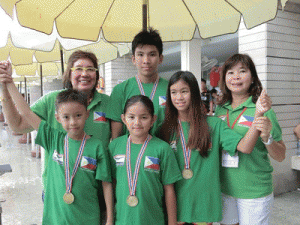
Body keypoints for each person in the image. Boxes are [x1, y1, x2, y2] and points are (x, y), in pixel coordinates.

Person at [158, 71, 272, 224]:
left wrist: (258, 114)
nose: (179, 97)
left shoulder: (213, 125)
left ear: (194, 93)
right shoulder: (164, 129)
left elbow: (245, 147)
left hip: (204, 207)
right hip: (175, 206)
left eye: (184, 91)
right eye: (174, 92)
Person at [0, 51, 111, 202]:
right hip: (56, 193)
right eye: (78, 68)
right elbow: (18, 126)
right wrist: (5, 89)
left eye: (90, 69)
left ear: (97, 75)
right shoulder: (52, 101)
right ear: (69, 74)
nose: (84, 74)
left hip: (94, 195)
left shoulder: (109, 103)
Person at [4, 84, 113, 224]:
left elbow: (106, 183)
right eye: (66, 117)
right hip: (56, 219)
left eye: (78, 115)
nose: (73, 122)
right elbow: (26, 113)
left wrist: (109, 219)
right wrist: (9, 83)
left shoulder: (97, 147)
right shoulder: (53, 139)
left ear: (87, 114)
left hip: (88, 218)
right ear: (57, 118)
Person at [214, 54, 286, 225]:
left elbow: (281, 155)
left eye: (242, 71)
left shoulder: (263, 109)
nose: (236, 77)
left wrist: (267, 138)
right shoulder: (220, 110)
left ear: (252, 77)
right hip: (225, 189)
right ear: (224, 79)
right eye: (230, 72)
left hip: (254, 191)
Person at [109, 95, 182, 225]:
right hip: (123, 219)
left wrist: (172, 223)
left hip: (153, 220)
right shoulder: (115, 146)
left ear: (153, 119)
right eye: (131, 117)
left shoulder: (162, 148)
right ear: (123, 119)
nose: (137, 122)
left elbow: (169, 189)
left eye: (144, 117)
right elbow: (112, 183)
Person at [106, 28, 168, 139]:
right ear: (133, 59)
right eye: (140, 54)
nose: (146, 60)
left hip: (163, 153)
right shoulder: (120, 90)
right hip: (130, 153)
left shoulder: (171, 89)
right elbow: (116, 138)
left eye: (152, 54)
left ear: (161, 59)